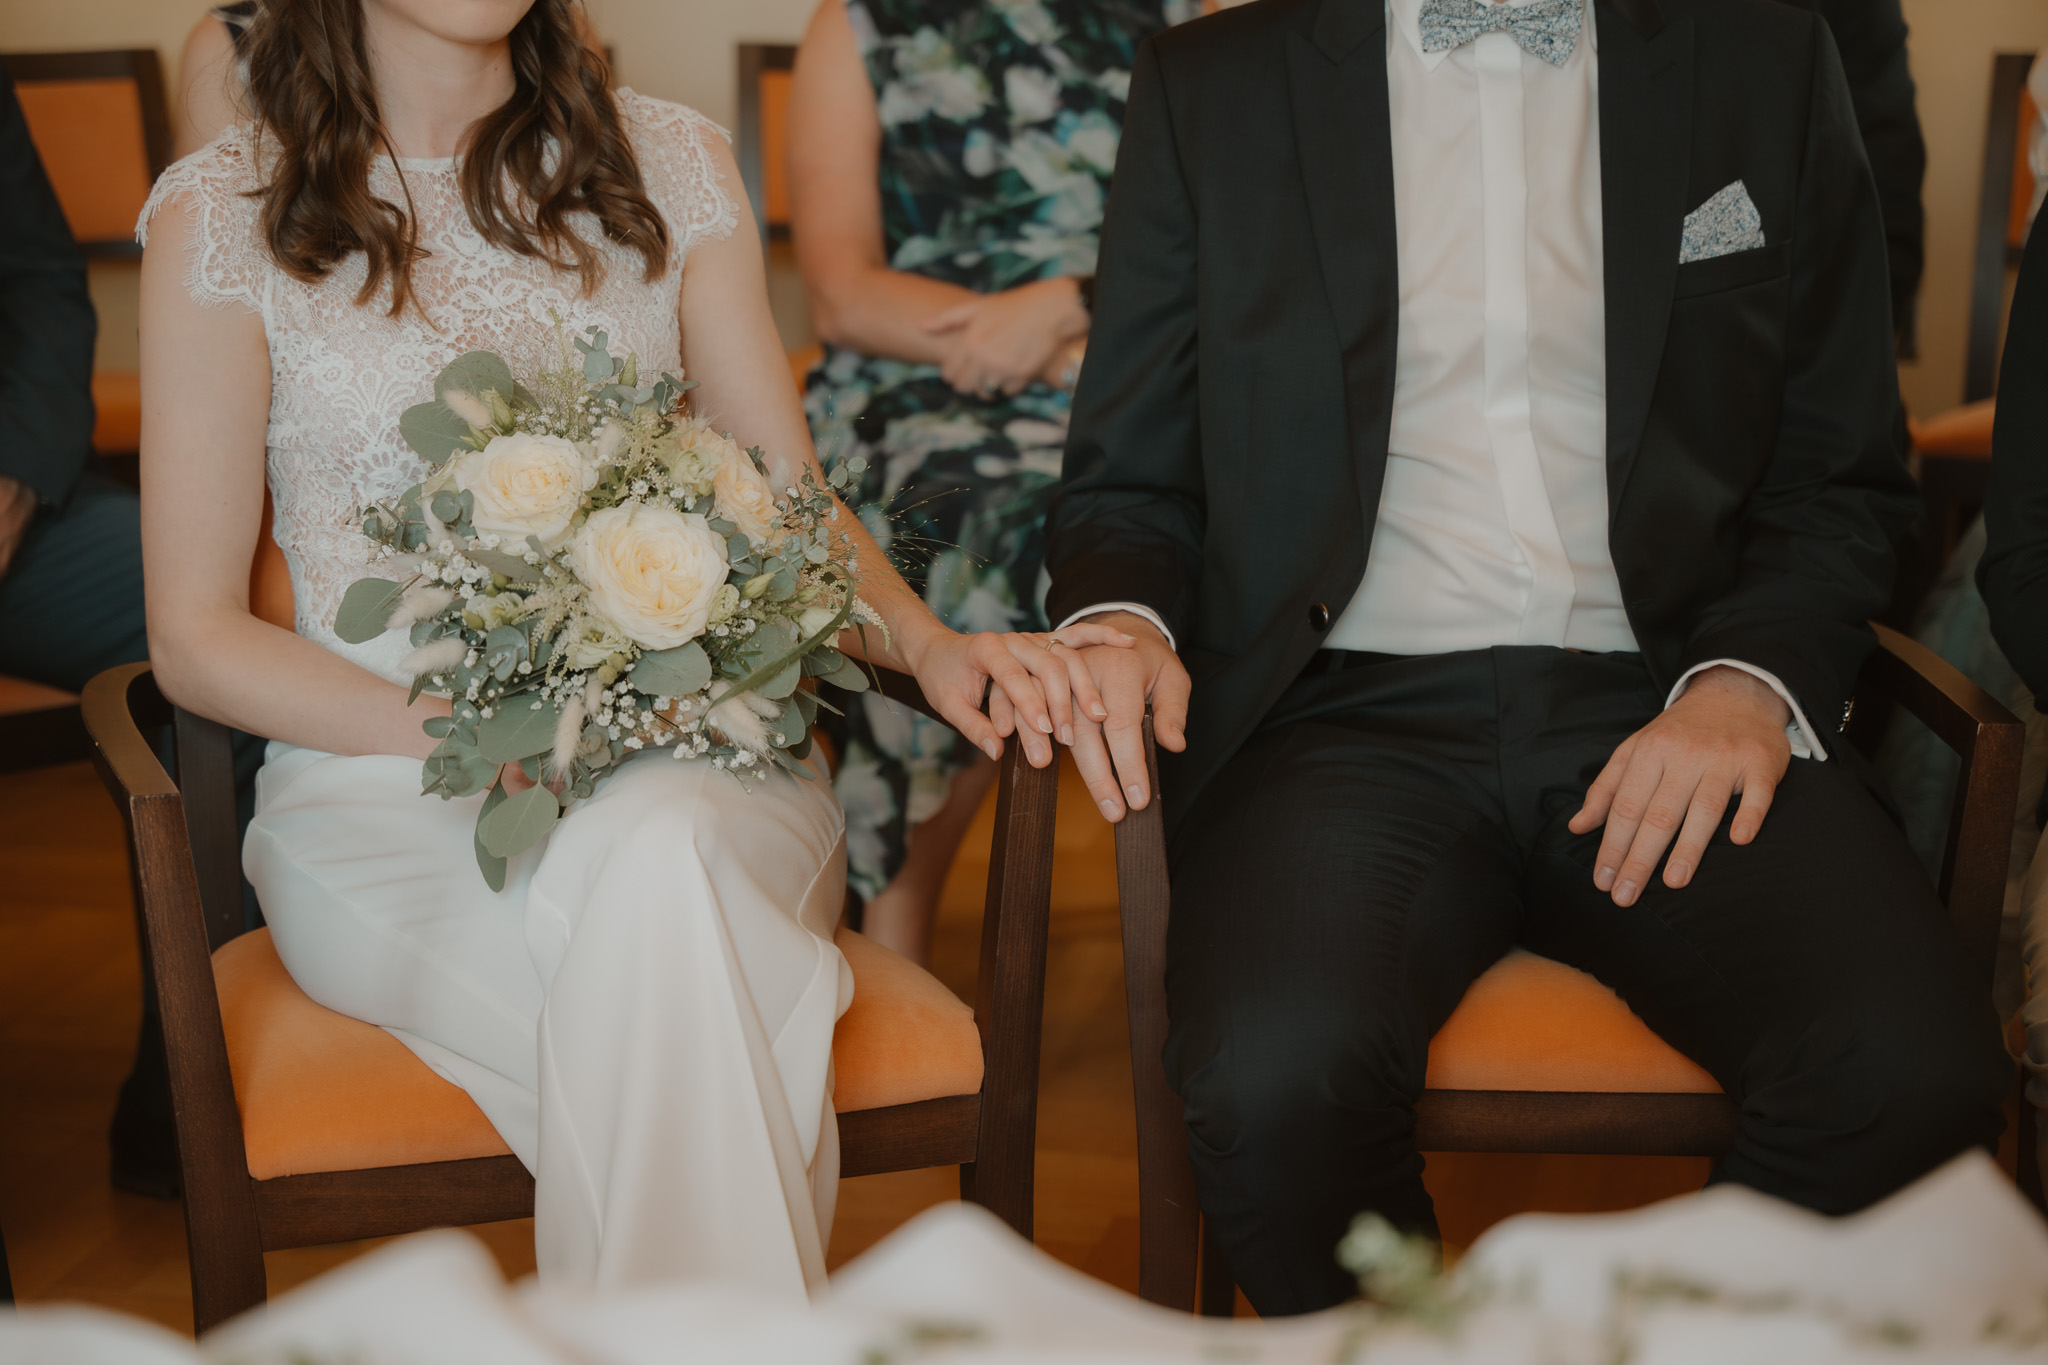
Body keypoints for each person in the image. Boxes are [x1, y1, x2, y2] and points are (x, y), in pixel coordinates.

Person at [1045, 0, 2011, 1315]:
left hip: (1669, 695)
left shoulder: (1769, 62)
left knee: (1913, 1065)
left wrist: (1746, 682)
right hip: (1337, 720)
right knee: (1277, 1077)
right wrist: (1120, 619)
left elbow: (1840, 474)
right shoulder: (1213, 83)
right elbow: (1127, 483)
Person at [139, 0, 1104, 1293]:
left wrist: (928, 647)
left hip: (696, 757)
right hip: (386, 798)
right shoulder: (224, 217)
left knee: (656, 856)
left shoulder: (673, 166)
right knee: (688, 989)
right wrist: (477, 737)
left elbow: (785, 498)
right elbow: (195, 639)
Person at [788, 0, 1201, 963]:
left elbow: (1236, 236)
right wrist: (1023, 342)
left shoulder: (1185, 20)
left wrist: (1069, 309)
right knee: (963, 531)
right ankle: (896, 905)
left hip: (1138, 367)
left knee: (1175, 503)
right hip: (923, 379)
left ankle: (1223, 913)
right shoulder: (855, 26)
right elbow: (842, 292)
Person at [0, 71, 190, 1197]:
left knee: (216, 642)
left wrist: (17, 472)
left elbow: (37, 282)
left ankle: (190, 1102)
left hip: (18, 526)